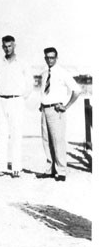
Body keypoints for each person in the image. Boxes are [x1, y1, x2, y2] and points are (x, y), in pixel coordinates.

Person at [0, 35, 32, 178]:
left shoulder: (23, 63)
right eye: (5, 46)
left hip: (17, 101)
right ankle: (0, 167)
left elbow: (29, 85)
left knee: (16, 134)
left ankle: (16, 168)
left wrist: (19, 97)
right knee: (0, 135)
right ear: (2, 46)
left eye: (10, 46)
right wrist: (2, 94)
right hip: (1, 101)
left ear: (14, 46)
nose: (7, 49)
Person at [39, 47, 81, 182]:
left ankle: (61, 171)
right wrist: (42, 104)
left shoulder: (63, 72)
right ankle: (49, 170)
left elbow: (77, 90)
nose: (49, 60)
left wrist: (66, 106)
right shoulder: (45, 73)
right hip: (45, 109)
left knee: (58, 141)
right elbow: (45, 91)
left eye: (52, 57)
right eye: (47, 57)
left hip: (57, 110)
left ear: (56, 58)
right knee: (46, 140)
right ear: (45, 58)